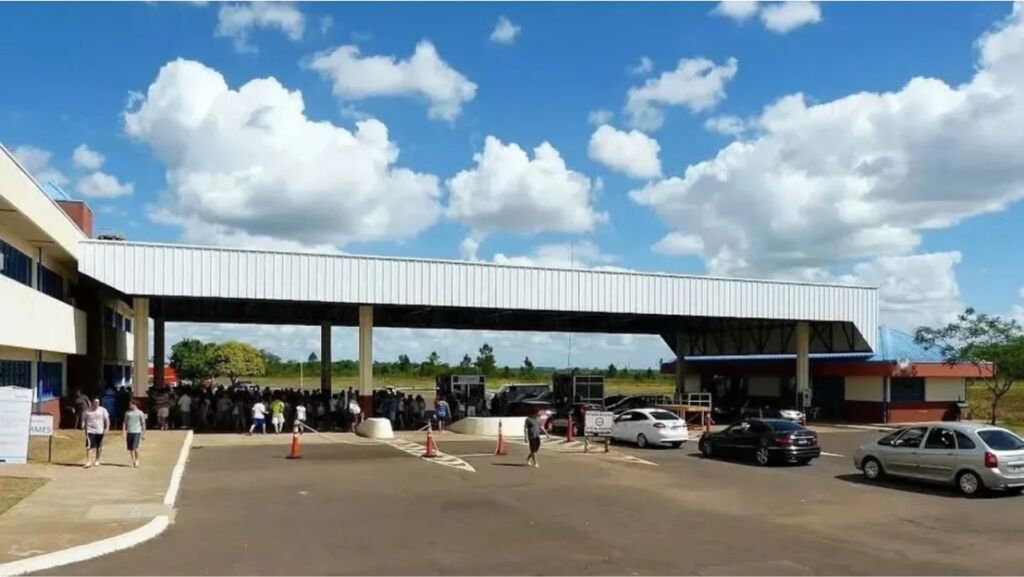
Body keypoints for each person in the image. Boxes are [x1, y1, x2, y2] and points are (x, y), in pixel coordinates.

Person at [83, 398, 110, 468]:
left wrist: (107, 428)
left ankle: (97, 460)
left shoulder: (103, 410)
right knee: (89, 446)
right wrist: (83, 426)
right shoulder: (87, 411)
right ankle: (89, 461)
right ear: (92, 403)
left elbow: (107, 420)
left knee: (99, 446)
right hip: (90, 430)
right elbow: (84, 420)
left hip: (100, 430)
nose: (96, 404)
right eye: (95, 402)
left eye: (98, 402)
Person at [122, 400, 146, 468]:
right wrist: (123, 431)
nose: (129, 406)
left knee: (135, 447)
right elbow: (124, 422)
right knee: (131, 448)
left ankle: (137, 460)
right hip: (129, 432)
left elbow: (143, 423)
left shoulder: (140, 413)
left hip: (137, 432)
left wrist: (143, 433)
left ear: (134, 404)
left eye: (130, 404)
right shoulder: (127, 413)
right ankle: (133, 461)